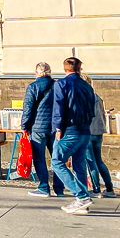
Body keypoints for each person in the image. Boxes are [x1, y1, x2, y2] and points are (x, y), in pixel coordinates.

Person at [50, 57, 96, 215]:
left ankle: (82, 196)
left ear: (65, 70)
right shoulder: (87, 86)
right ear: (79, 69)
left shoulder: (61, 84)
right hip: (84, 129)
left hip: (69, 129)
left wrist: (57, 128)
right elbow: (92, 109)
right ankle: (82, 203)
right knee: (79, 165)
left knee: (57, 162)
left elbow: (58, 106)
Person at [21, 62, 62, 198]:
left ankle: (44, 187)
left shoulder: (33, 86)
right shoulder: (57, 85)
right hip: (55, 127)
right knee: (56, 158)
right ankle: (59, 188)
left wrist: (24, 126)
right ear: (50, 72)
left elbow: (28, 109)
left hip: (38, 127)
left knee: (39, 158)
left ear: (36, 72)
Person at [83, 73, 115, 198]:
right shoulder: (97, 97)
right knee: (99, 160)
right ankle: (109, 188)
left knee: (91, 161)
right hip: (99, 131)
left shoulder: (84, 98)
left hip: (88, 131)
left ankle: (96, 189)